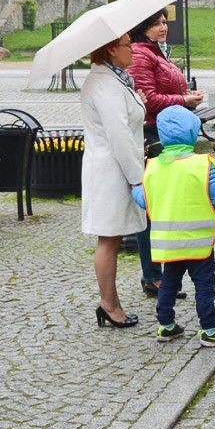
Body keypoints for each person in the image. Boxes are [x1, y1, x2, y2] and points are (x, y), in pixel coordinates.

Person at [132, 106, 215, 348]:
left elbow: (144, 198)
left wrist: (135, 191)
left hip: (168, 242)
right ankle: (209, 329)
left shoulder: (153, 166)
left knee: (169, 282)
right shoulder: (204, 163)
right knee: (204, 285)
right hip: (199, 242)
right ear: (192, 132)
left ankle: (166, 324)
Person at [127, 9, 204, 298]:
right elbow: (147, 99)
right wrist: (183, 100)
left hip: (164, 132)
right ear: (143, 27)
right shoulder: (140, 54)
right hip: (153, 135)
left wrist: (186, 97)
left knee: (162, 203)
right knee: (153, 204)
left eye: (163, 23)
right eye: (156, 24)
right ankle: (152, 275)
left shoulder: (155, 51)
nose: (163, 28)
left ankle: (159, 275)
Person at [80, 31, 146, 329]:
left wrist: (138, 104)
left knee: (113, 237)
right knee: (108, 238)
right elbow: (118, 134)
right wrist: (136, 178)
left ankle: (111, 302)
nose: (132, 50)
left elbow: (126, 120)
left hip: (115, 167)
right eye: (127, 45)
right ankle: (109, 304)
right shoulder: (104, 84)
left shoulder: (115, 79)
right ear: (110, 50)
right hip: (111, 170)